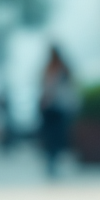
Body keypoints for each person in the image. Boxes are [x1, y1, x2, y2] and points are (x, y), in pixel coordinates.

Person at [39, 45, 75, 177]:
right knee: (55, 135)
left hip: (52, 106)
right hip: (57, 107)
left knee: (52, 136)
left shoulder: (54, 69)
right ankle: (52, 159)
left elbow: (48, 87)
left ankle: (52, 159)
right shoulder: (61, 68)